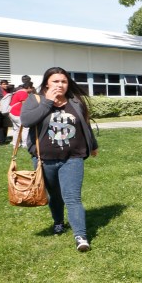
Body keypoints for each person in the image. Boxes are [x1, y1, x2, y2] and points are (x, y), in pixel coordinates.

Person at [21, 67, 99, 252]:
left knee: (72, 198)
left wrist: (93, 145)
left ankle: (81, 236)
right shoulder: (35, 99)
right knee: (54, 196)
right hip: (44, 159)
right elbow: (27, 120)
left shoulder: (75, 101)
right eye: (56, 81)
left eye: (63, 81)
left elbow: (85, 124)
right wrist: (48, 102)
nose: (60, 85)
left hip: (72, 158)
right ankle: (58, 222)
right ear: (47, 82)